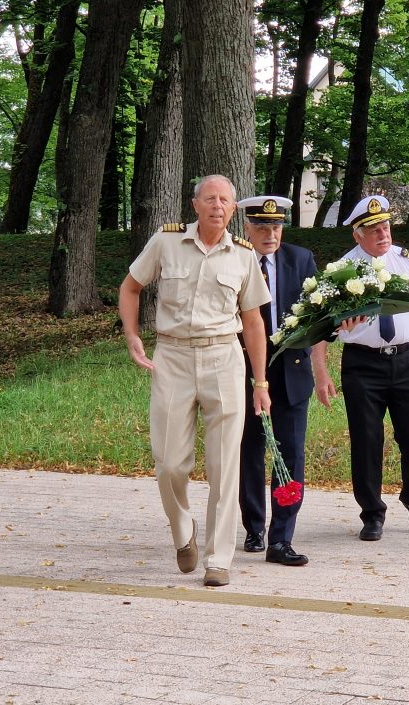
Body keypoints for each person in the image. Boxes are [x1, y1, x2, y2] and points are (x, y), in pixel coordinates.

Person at [119, 174, 272, 587]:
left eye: (225, 200)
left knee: (225, 466)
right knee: (170, 462)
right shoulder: (166, 242)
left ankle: (219, 559)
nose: (217, 206)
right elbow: (131, 287)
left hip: (225, 356)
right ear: (195, 205)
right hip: (173, 357)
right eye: (210, 198)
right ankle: (182, 530)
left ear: (233, 209)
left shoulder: (243, 255)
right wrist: (133, 336)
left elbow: (254, 322)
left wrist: (261, 383)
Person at [312, 195, 409, 541]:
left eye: (385, 226)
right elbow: (321, 326)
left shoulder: (408, 262)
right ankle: (372, 513)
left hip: (408, 360)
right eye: (373, 229)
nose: (382, 233)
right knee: (367, 440)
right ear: (357, 235)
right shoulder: (341, 271)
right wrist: (321, 373)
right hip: (362, 365)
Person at [235, 195, 316, 567]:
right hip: (245, 371)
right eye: (263, 227)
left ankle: (281, 539)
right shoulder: (234, 258)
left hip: (292, 372)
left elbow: (316, 314)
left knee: (292, 454)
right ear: (247, 229)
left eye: (277, 226)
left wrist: (338, 327)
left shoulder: (300, 259)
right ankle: (254, 527)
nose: (271, 234)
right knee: (249, 451)